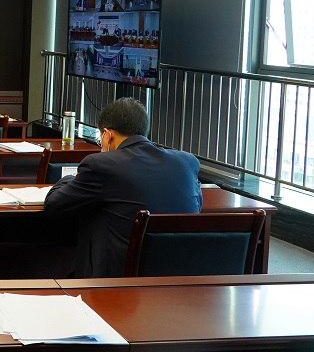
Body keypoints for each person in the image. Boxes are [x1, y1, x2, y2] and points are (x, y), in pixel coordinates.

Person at [44, 97, 202, 278]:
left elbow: (54, 204)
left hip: (118, 284)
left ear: (107, 135)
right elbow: (197, 206)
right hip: (179, 280)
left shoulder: (101, 164)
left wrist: (72, 177)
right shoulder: (187, 162)